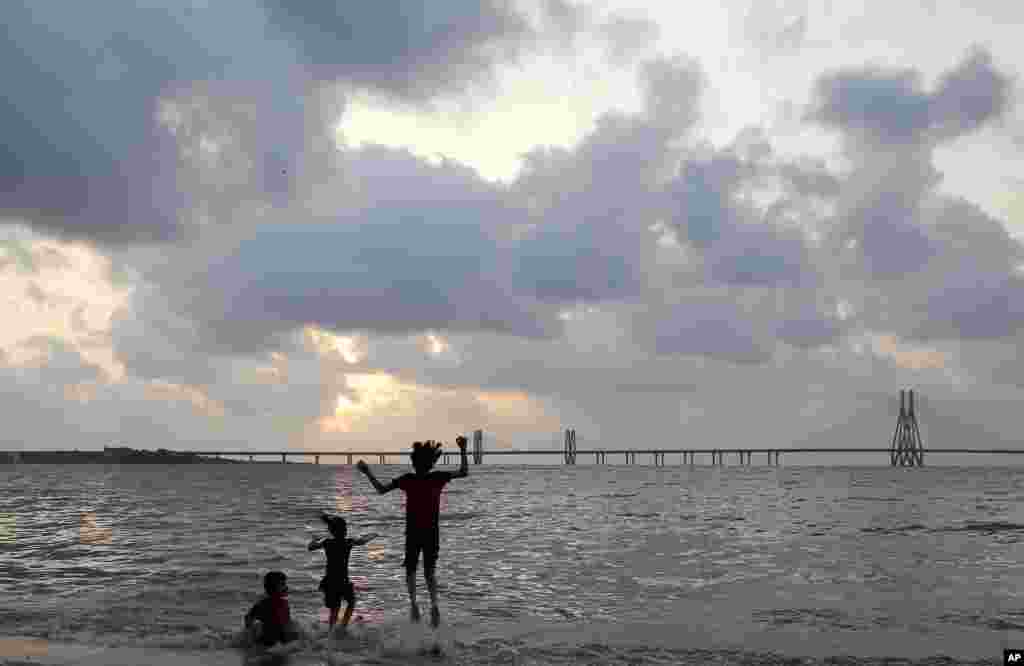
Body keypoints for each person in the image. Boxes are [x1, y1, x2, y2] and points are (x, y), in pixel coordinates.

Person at [356, 435, 468, 627]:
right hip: (431, 532)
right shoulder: (437, 477)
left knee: (411, 570)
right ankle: (433, 605)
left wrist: (367, 473)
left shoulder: (408, 479)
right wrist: (463, 449)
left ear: (414, 462)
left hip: (414, 533)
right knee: (429, 572)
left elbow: (381, 490)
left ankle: (414, 604)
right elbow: (464, 472)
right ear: (432, 462)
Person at [308, 513, 378, 633]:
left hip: (329, 581)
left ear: (331, 531)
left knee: (335, 608)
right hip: (343, 580)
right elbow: (362, 541)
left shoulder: (327, 542)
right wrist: (373, 535)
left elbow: (311, 547)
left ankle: (331, 631)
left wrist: (315, 539)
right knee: (351, 603)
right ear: (344, 530)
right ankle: (343, 627)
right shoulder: (348, 542)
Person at [244, 571, 301, 648]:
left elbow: (248, 618)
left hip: (279, 641)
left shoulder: (283, 603)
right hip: (271, 642)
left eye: (285, 584)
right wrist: (251, 637)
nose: (286, 587)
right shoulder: (265, 604)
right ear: (273, 587)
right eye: (283, 585)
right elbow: (248, 618)